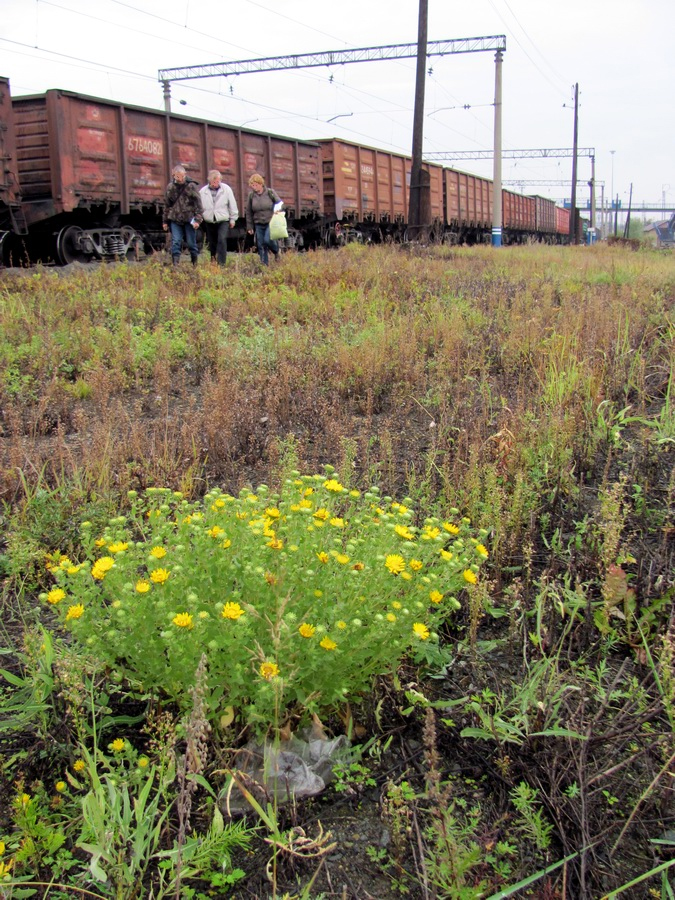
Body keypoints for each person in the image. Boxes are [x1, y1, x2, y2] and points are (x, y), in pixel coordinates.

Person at [162, 165, 203, 266]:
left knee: (191, 243)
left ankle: (194, 263)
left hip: (189, 219)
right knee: (176, 241)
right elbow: (167, 205)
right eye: (177, 177)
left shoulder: (191, 186)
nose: (180, 179)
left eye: (182, 176)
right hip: (175, 219)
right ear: (174, 175)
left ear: (185, 175)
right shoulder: (170, 187)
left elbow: (199, 204)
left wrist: (197, 220)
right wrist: (165, 221)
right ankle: (175, 264)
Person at [199, 170, 239, 266]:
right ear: (210, 181)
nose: (216, 184)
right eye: (214, 182)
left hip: (223, 219)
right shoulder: (203, 191)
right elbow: (199, 207)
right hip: (209, 220)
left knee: (222, 239)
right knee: (212, 242)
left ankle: (222, 263)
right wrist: (198, 219)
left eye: (218, 182)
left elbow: (232, 204)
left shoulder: (226, 189)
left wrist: (233, 219)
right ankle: (213, 260)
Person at [246, 173, 282, 266]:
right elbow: (249, 212)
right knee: (261, 244)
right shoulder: (251, 196)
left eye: (256, 185)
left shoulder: (270, 192)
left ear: (261, 183)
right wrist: (249, 226)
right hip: (258, 223)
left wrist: (277, 212)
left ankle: (276, 251)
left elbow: (279, 203)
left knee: (267, 240)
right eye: (252, 185)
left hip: (270, 222)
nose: (254, 187)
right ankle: (264, 264)